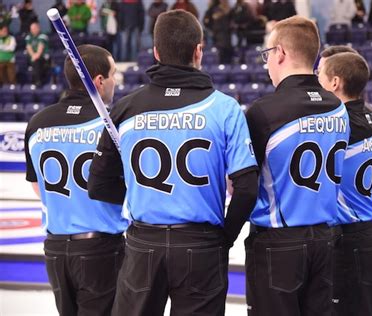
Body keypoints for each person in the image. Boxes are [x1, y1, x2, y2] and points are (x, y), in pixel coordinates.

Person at [88, 9, 258, 316]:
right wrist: (225, 238)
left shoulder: (124, 109)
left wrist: (141, 195)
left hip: (144, 244)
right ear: (198, 51)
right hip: (202, 244)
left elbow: (98, 184)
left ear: (155, 53)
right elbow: (246, 189)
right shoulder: (225, 108)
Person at [244, 16, 350, 315]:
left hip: (279, 241)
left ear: (280, 53)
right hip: (325, 239)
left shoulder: (264, 111)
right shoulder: (337, 106)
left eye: (267, 55)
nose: (267, 64)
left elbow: (244, 183)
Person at [23, 44, 128, 316]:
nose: (116, 81)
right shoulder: (111, 124)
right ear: (99, 81)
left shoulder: (37, 123)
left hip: (56, 249)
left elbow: (38, 186)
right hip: (100, 249)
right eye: (114, 74)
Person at [318, 49, 372, 316]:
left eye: (320, 75)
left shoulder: (336, 125)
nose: (317, 81)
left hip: (351, 240)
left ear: (335, 82)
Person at [26, 22, 49, 87]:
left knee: (37, 62)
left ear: (38, 28)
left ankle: (37, 81)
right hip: (33, 58)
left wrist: (36, 56)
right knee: (34, 61)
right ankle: (36, 81)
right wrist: (33, 56)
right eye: (32, 29)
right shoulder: (29, 36)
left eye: (35, 28)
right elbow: (28, 47)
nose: (33, 30)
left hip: (43, 57)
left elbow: (40, 47)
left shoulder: (43, 35)